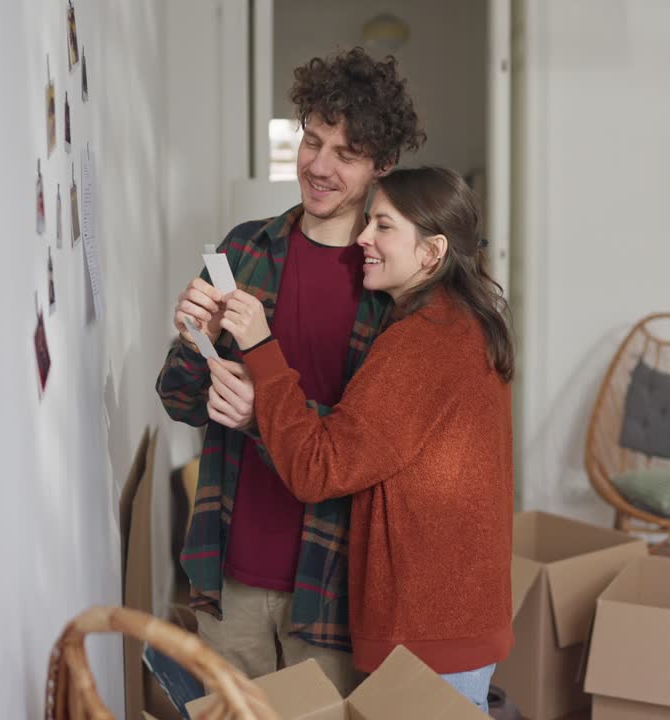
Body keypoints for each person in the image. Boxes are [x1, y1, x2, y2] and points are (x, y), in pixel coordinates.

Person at [155, 48, 424, 694]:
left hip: (332, 587)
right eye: (312, 140)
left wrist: (261, 416)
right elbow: (179, 399)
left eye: (346, 153)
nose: (320, 167)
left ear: (383, 165)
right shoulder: (245, 248)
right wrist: (197, 338)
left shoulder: (391, 289)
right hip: (231, 575)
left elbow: (364, 449)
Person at [219, 166, 515, 710]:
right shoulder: (462, 324)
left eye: (383, 226)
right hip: (454, 622)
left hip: (429, 634)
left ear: (431, 252)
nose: (363, 238)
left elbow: (319, 467)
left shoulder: (422, 344)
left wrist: (261, 347)